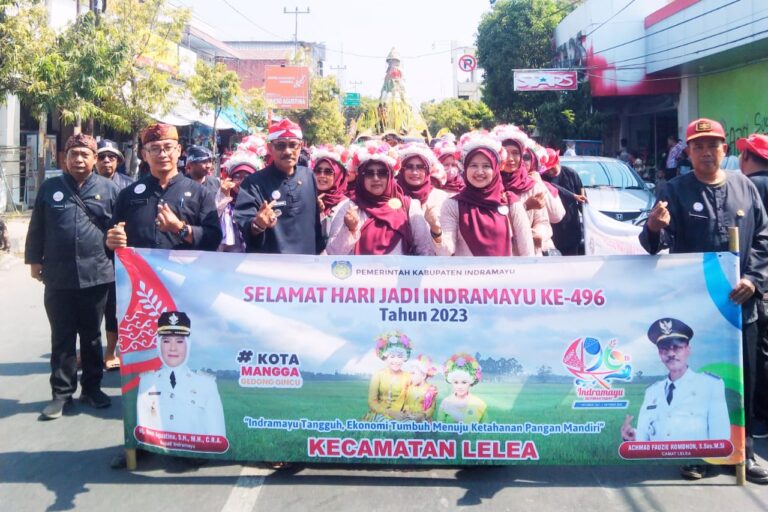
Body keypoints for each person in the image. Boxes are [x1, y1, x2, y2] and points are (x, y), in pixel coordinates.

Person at [640, 118, 768, 484]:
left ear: (724, 150)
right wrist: (654, 226)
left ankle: (743, 453)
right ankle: (698, 452)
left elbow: (763, 237)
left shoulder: (745, 187)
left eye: (713, 145)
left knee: (743, 381)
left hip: (740, 306)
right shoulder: (674, 190)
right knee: (696, 384)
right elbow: (653, 245)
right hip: (695, 307)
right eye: (698, 146)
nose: (706, 152)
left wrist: (753, 280)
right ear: (688, 153)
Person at [25, 134, 119, 419]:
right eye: (73, 154)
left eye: (84, 154)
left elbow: (120, 228)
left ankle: (92, 389)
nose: (79, 159)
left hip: (97, 274)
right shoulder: (50, 188)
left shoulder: (109, 189)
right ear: (64, 158)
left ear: (94, 159)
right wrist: (33, 261)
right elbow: (37, 227)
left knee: (91, 337)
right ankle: (61, 394)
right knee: (62, 337)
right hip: (58, 275)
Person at [106, 123, 222, 252]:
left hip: (182, 265)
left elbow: (214, 239)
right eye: (155, 149)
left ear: (178, 150)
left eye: (168, 147)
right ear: (144, 155)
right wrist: (112, 241)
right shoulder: (128, 195)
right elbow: (111, 238)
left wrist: (180, 229)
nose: (162, 154)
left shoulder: (200, 193)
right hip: (139, 265)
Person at [620, 318, 730, 444]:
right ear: (660, 354)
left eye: (677, 348)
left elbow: (721, 441)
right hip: (659, 458)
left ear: (688, 349)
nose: (671, 354)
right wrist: (633, 437)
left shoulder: (710, 385)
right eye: (665, 349)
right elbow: (645, 438)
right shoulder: (652, 391)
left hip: (695, 457)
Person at [430, 131, 533, 257]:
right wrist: (436, 230)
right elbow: (445, 252)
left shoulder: (511, 203)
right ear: (465, 168)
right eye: (473, 165)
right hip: (467, 270)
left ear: (495, 169)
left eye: (486, 166)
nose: (479, 172)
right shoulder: (453, 205)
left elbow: (528, 253)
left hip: (506, 270)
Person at [325, 143, 435, 256]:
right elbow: (333, 253)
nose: (376, 178)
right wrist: (349, 229)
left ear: (390, 176)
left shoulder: (409, 206)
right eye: (369, 173)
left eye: (382, 173)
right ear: (361, 177)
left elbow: (426, 251)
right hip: (359, 268)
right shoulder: (350, 207)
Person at [232, 118, 323, 254]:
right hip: (272, 263)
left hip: (307, 261)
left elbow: (315, 224)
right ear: (270, 148)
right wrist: (258, 225)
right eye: (281, 145)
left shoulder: (309, 176)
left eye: (293, 145)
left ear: (301, 146)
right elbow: (245, 224)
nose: (288, 151)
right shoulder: (253, 183)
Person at [136, 311, 226, 437]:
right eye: (166, 341)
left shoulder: (207, 384)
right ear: (158, 344)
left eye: (179, 341)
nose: (173, 348)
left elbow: (217, 435)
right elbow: (142, 433)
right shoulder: (147, 381)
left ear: (188, 345)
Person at [737, 133, 768, 436]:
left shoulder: (748, 187)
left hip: (757, 283)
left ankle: (759, 416)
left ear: (745, 156)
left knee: (758, 350)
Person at [95, 139, 134, 371]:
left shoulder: (129, 187)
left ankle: (111, 351)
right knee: (89, 308)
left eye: (111, 157)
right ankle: (88, 351)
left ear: (118, 161)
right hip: (93, 252)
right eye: (101, 157)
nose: (106, 161)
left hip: (119, 253)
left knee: (114, 306)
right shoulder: (85, 184)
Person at [493, 125, 552, 255]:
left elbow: (543, 222)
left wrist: (538, 234)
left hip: (529, 254)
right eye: (506, 153)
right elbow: (492, 222)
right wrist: (525, 206)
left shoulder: (532, 186)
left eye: (515, 153)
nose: (510, 159)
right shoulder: (489, 186)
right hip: (500, 256)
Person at [542, 148, 587, 255]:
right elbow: (551, 187)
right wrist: (573, 196)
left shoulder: (571, 174)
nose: (550, 172)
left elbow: (583, 199)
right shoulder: (542, 178)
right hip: (552, 231)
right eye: (547, 170)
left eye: (552, 168)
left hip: (571, 228)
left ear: (557, 161)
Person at [365, 331, 413, 421]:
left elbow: (408, 401)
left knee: (410, 426)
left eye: (399, 356)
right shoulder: (378, 375)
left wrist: (407, 411)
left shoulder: (408, 376)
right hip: (381, 413)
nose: (396, 361)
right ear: (385, 357)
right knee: (389, 426)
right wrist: (390, 412)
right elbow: (372, 402)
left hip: (401, 414)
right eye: (392, 356)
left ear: (404, 357)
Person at [396, 143, 449, 219]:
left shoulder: (441, 197)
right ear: (402, 170)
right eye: (409, 167)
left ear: (427, 171)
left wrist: (434, 225)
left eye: (420, 167)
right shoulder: (393, 195)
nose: (415, 172)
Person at [311, 145, 350, 247]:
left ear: (338, 175)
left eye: (328, 172)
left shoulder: (347, 206)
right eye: (318, 171)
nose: (322, 175)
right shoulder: (306, 197)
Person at [435, 352, 486, 423]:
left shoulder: (479, 404)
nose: (459, 387)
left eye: (464, 382)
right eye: (456, 382)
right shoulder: (445, 403)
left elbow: (486, 428)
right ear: (451, 382)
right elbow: (439, 427)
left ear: (470, 382)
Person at [402, 355, 438, 422]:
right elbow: (406, 403)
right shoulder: (410, 388)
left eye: (413, 373)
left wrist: (423, 415)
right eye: (410, 373)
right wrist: (407, 410)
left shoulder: (430, 390)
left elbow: (432, 407)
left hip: (423, 420)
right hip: (410, 418)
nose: (410, 376)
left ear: (423, 375)